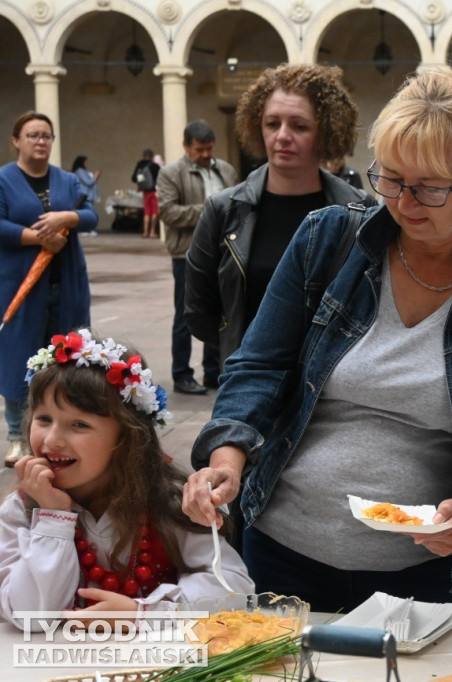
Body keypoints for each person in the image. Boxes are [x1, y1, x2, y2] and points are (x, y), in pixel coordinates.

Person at [181, 67, 452, 614]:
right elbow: (258, 366)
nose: (404, 203)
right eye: (389, 178)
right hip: (282, 549)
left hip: (418, 568)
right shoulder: (326, 239)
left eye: (429, 186)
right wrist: (228, 458)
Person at [0, 328, 252, 630]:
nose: (52, 440)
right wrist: (53, 517)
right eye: (44, 419)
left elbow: (234, 589)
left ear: (127, 437)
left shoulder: (171, 501)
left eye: (78, 424)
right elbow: (30, 618)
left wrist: (143, 613)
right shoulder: (22, 509)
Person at [186, 64, 373, 369]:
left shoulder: (358, 209)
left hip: (332, 386)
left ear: (326, 132)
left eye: (299, 126)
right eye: (272, 123)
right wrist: (243, 353)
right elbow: (198, 310)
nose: (282, 136)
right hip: (249, 381)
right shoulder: (224, 210)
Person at [0, 112, 97, 468]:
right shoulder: (4, 179)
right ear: (17, 140)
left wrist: (65, 218)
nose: (40, 141)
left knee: (65, 359)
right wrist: (39, 238)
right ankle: (16, 435)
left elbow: (90, 215)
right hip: (19, 287)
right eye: (32, 135)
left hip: (66, 283)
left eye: (46, 136)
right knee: (17, 358)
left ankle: (60, 430)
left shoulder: (67, 180)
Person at [157, 121, 237, 396]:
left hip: (226, 252)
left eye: (209, 149)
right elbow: (168, 212)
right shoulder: (171, 173)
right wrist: (210, 211)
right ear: (186, 147)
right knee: (186, 314)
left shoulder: (226, 170)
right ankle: (181, 374)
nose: (205, 154)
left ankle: (214, 373)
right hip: (187, 254)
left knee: (222, 313)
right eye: (199, 149)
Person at [132, 149, 161, 238]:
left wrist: (142, 183)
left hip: (145, 192)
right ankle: (152, 232)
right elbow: (161, 178)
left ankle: (145, 232)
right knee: (155, 212)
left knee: (147, 212)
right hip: (154, 191)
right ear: (152, 157)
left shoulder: (139, 165)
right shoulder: (155, 166)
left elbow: (133, 178)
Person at [70, 156, 100, 237]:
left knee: (90, 211)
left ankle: (89, 229)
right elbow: (88, 182)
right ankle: (84, 229)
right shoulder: (79, 171)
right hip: (84, 194)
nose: (87, 164)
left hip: (89, 194)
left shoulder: (84, 171)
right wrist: (95, 177)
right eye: (85, 162)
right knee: (85, 211)